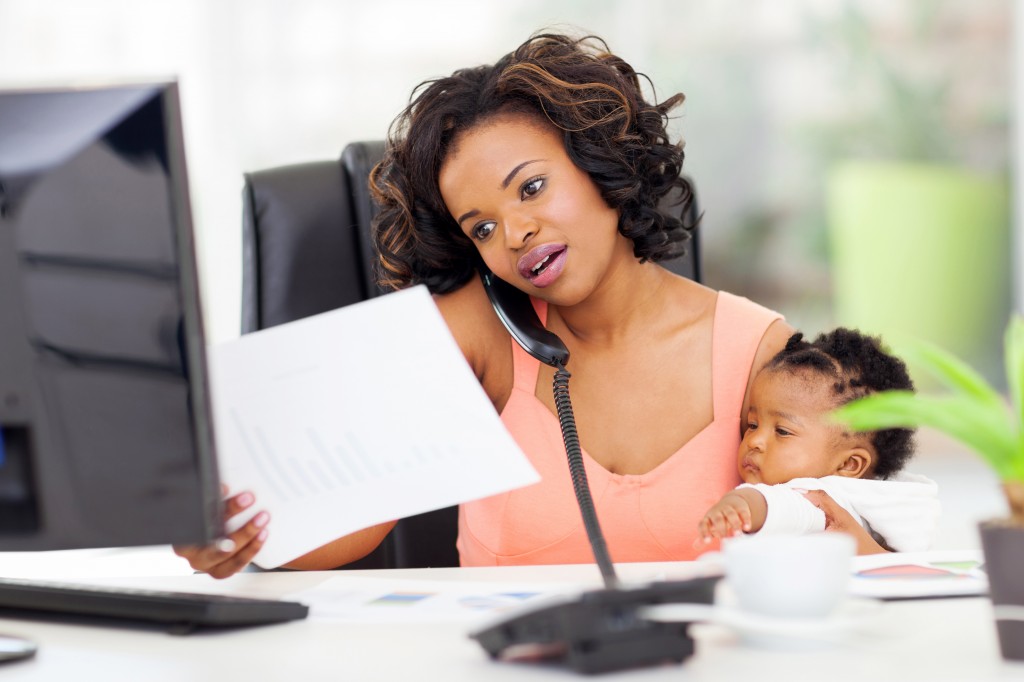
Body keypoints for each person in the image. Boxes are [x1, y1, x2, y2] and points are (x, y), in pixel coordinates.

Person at [176, 30, 876, 578]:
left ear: (600, 163)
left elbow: (837, 536)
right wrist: (242, 539)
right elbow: (344, 516)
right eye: (480, 226)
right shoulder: (477, 332)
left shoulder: (758, 351)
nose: (514, 232)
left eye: (531, 188)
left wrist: (863, 543)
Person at [697, 328, 941, 554]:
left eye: (782, 431)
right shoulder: (890, 505)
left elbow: (781, 507)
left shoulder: (817, 498)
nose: (755, 441)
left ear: (849, 465)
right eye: (752, 424)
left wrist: (739, 503)